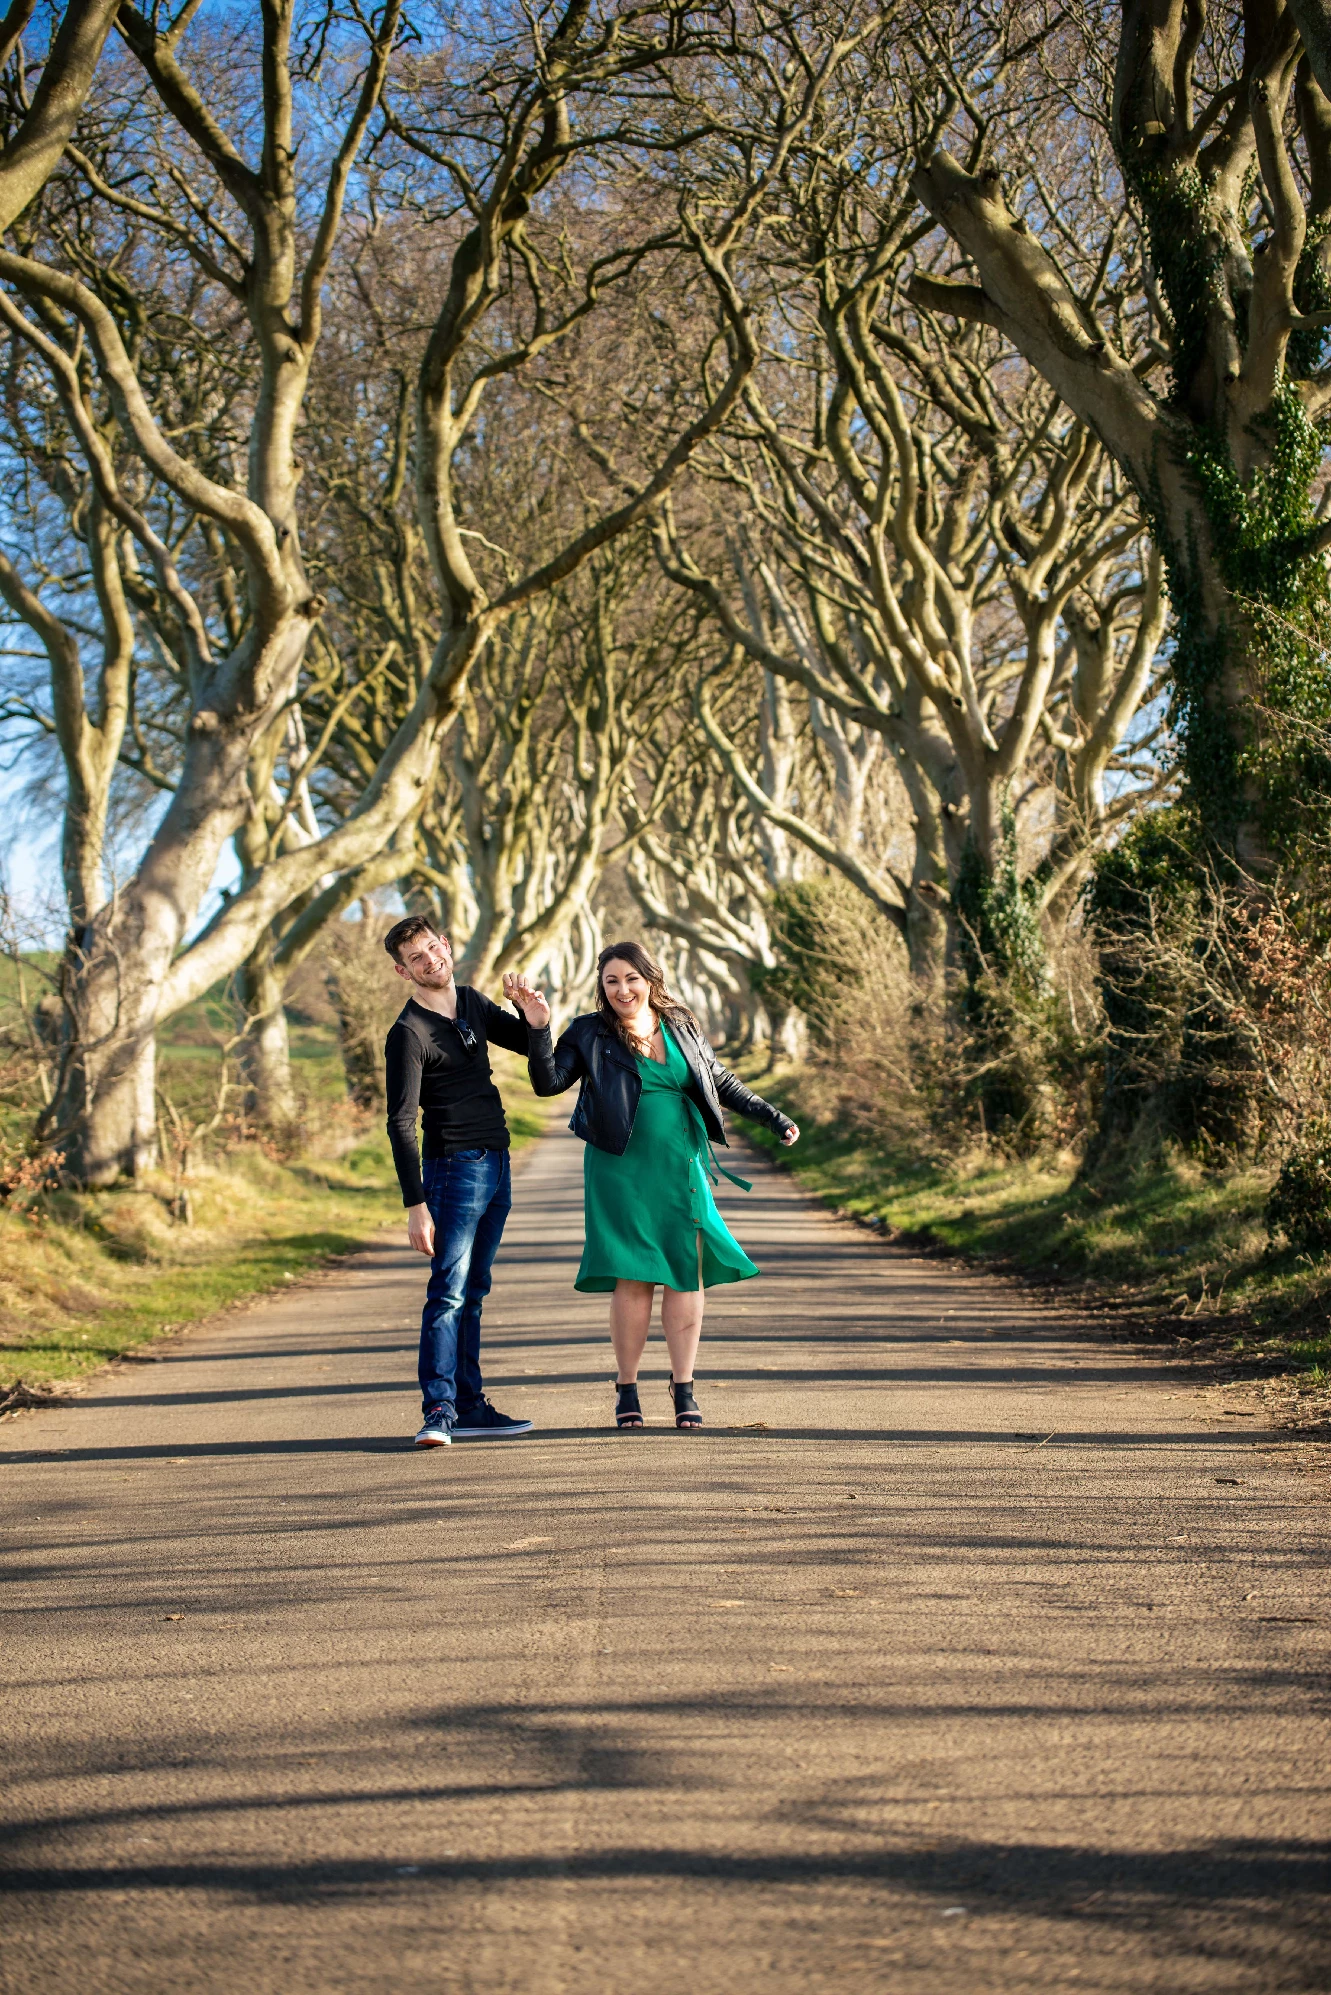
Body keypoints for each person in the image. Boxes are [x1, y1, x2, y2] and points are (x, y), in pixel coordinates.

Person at [502, 940, 799, 1432]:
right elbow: (548, 1083)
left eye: (631, 979)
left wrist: (771, 1116)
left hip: (680, 1163)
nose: (622, 989)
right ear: (602, 986)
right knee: (633, 1273)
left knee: (688, 1271)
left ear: (649, 979)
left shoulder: (680, 1024)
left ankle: (684, 1387)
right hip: (619, 1169)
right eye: (612, 980)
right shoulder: (589, 1033)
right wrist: (537, 1028)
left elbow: (717, 1079)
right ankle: (627, 1387)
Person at [384, 915, 549, 1447]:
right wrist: (416, 1206)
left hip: (497, 1164)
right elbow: (401, 1122)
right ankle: (439, 1412)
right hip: (453, 1170)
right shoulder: (407, 1034)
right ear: (403, 971)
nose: (430, 960)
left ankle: (472, 1406)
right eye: (416, 958)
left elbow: (530, 1049)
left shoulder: (473, 1002)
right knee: (448, 1294)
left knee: (474, 1291)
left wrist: (537, 1021)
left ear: (447, 947)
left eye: (433, 949)